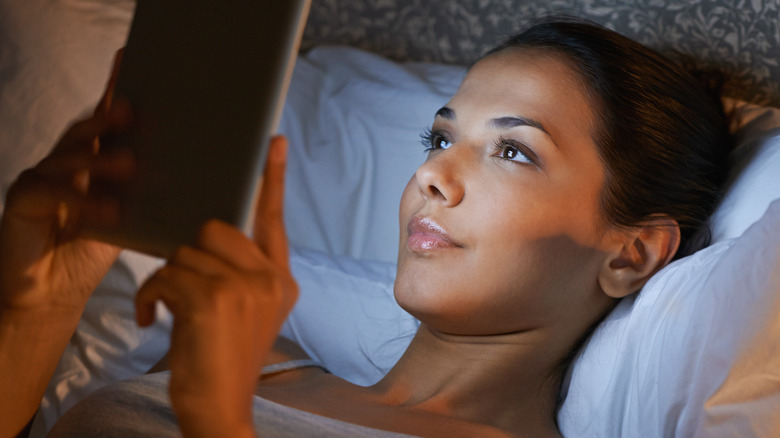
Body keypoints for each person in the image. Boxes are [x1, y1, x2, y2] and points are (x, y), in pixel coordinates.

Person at [0, 19, 731, 438]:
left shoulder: (225, 375)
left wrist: (216, 416)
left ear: (630, 255)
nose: (432, 176)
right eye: (439, 139)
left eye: (513, 151)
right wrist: (37, 309)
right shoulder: (257, 359)